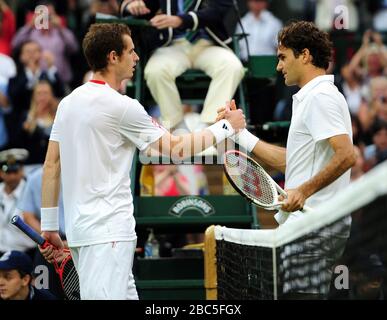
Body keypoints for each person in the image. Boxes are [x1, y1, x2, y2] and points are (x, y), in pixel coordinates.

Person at [38, 23, 245, 300]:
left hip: (83, 233)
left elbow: (51, 165)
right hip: (107, 234)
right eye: (131, 51)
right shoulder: (123, 107)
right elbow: (178, 149)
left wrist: (49, 226)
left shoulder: (67, 103)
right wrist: (226, 128)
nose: (136, 58)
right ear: (113, 57)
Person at [217, 21, 356, 298]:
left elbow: (347, 154)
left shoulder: (320, 97)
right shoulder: (313, 97)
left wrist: (303, 191)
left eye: (283, 57)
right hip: (313, 223)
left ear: (304, 55)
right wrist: (240, 135)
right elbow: (294, 162)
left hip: (314, 224)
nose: (278, 66)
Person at [120, 0, 245, 131]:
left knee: (232, 66)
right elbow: (145, 6)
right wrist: (131, 6)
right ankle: (176, 127)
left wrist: (181, 20)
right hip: (174, 45)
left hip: (208, 44)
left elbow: (216, 12)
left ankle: (211, 126)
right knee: (155, 70)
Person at [0, 149, 35, 256]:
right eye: (8, 172)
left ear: (22, 171)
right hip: (2, 253)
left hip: (28, 254)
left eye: (15, 171)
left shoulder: (32, 192)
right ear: (1, 173)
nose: (12, 177)